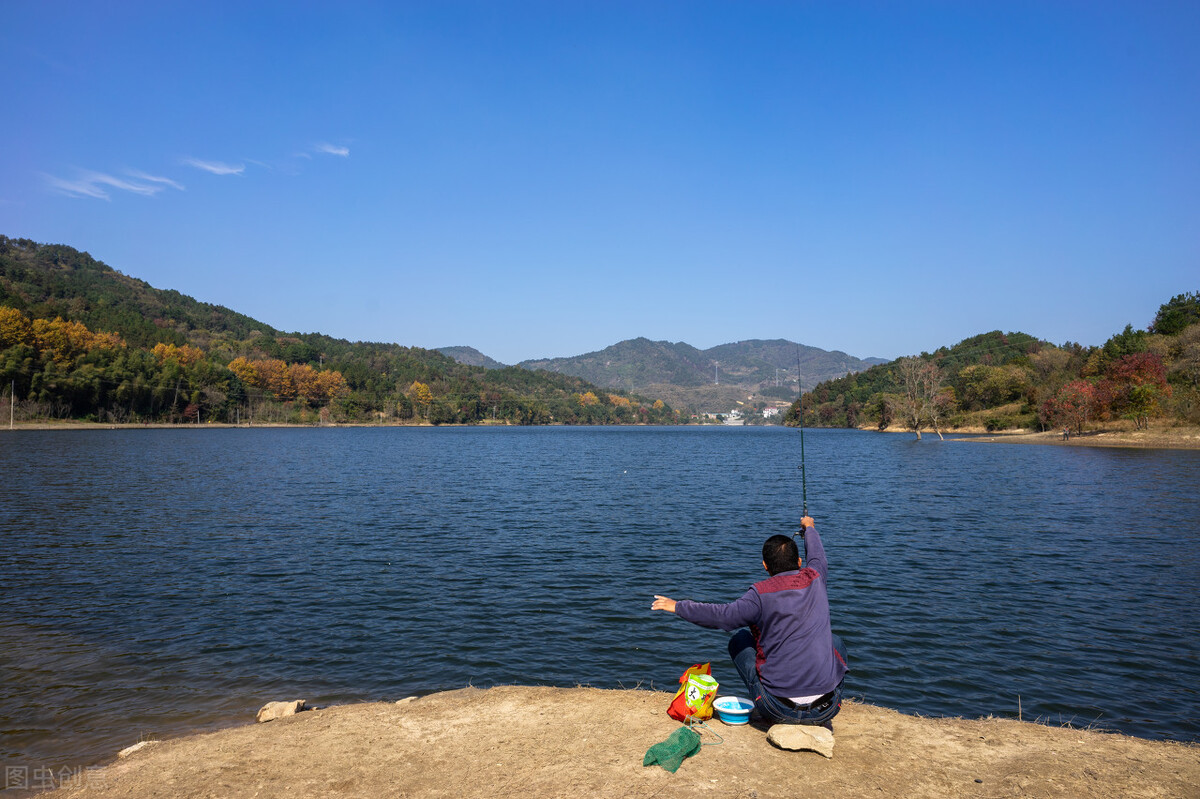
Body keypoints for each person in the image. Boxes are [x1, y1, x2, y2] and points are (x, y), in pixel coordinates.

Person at [651, 516, 848, 726]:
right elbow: (817, 553)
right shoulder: (816, 577)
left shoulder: (759, 594)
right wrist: (809, 527)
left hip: (777, 708)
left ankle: (772, 707)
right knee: (835, 642)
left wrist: (678, 606)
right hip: (827, 709)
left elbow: (722, 616)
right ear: (799, 562)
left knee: (740, 640)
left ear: (765, 566)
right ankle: (821, 702)